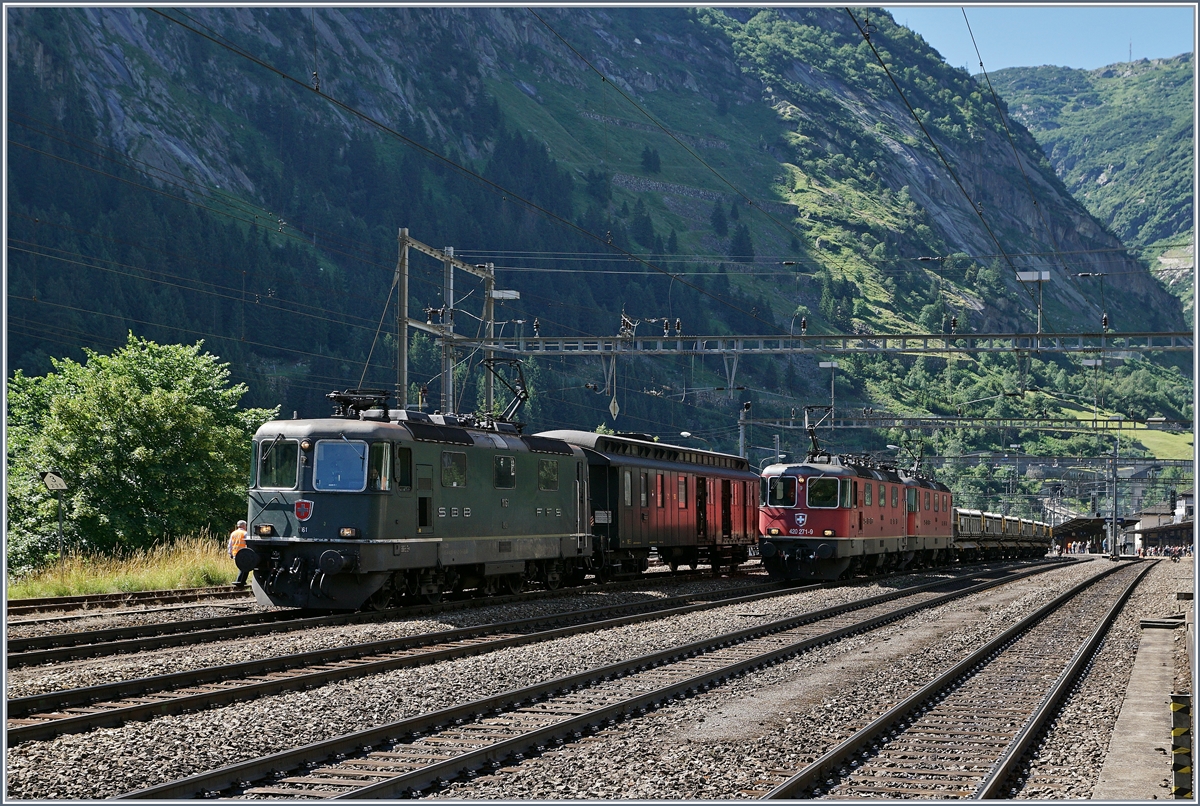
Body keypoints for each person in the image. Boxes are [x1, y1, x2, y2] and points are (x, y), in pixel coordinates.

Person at [228, 520, 249, 587]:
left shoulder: (233, 533)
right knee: (244, 567)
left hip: (235, 553)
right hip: (243, 553)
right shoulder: (245, 533)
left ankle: (242, 581)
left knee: (243, 567)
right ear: (243, 525)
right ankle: (239, 581)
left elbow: (230, 544)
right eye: (245, 525)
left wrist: (230, 553)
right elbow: (248, 544)